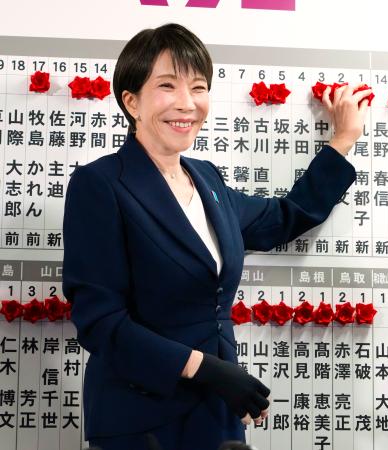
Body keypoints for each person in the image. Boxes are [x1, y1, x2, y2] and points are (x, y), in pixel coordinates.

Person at [62, 23, 371, 450]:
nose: (187, 103)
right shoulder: (101, 184)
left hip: (218, 411)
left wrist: (344, 139)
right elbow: (100, 323)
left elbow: (284, 218)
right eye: (167, 86)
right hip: (140, 417)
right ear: (131, 102)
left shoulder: (206, 179)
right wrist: (202, 367)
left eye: (198, 87)